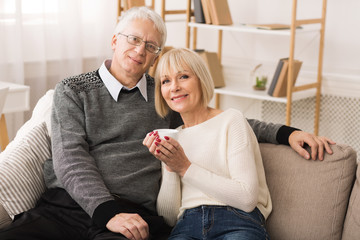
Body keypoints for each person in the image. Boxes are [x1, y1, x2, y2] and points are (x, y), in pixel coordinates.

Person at [0, 6, 334, 240]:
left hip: (135, 218)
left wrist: (287, 132)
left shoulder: (163, 96)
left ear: (156, 56)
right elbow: (70, 157)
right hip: (68, 209)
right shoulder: (73, 90)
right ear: (114, 40)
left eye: (151, 46)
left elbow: (215, 120)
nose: (140, 51)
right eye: (133, 39)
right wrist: (107, 212)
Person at [143, 48, 272, 239]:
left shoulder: (231, 120)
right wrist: (171, 166)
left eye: (183, 76)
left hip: (237, 221)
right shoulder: (173, 137)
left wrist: (185, 168)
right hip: (187, 225)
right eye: (166, 81)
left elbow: (246, 199)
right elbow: (169, 218)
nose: (174, 87)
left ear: (201, 80)